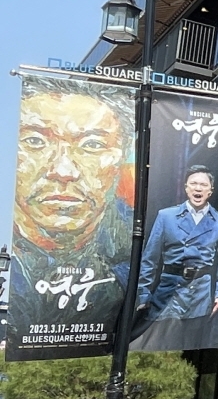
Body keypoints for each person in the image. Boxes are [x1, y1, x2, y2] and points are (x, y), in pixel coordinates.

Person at [12, 77, 133, 341]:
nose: (63, 171)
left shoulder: (140, 254)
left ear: (121, 158)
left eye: (92, 144)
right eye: (35, 141)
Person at [132, 164, 218, 351]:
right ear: (186, 188)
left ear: (210, 191)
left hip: (200, 292)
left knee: (190, 345)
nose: (198, 188)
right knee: (159, 345)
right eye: (193, 184)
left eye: (203, 185)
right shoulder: (166, 216)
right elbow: (150, 259)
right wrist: (144, 293)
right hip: (169, 289)